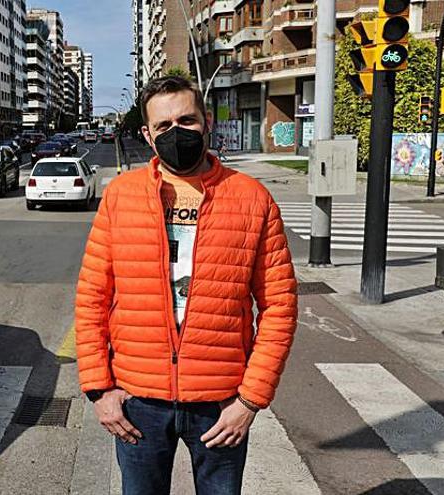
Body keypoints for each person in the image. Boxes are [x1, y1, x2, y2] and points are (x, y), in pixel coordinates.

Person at [75, 76, 298, 495]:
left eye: (187, 120)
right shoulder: (121, 196)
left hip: (221, 405)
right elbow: (92, 298)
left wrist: (250, 400)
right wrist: (99, 389)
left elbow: (279, 307)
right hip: (137, 402)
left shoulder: (252, 199)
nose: (176, 132)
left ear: (206, 121)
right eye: (163, 126)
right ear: (147, 134)